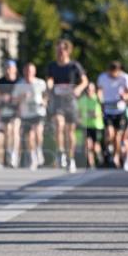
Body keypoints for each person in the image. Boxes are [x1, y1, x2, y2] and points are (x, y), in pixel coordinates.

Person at [46, 39, 88, 172]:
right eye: (57, 50)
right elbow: (50, 79)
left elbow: (85, 81)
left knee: (70, 131)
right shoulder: (52, 66)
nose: (59, 53)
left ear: (67, 51)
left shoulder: (74, 66)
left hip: (70, 101)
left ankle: (71, 158)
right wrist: (49, 86)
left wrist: (78, 89)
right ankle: (61, 153)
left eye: (61, 50)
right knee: (59, 125)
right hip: (57, 101)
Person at [97, 61, 128, 169]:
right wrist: (100, 99)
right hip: (108, 110)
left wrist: (125, 97)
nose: (114, 75)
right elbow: (99, 91)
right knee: (109, 133)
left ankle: (115, 156)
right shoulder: (102, 77)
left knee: (118, 136)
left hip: (120, 110)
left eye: (116, 72)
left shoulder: (125, 77)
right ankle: (108, 148)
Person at [12, 63, 47, 169]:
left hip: (38, 112)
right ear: (24, 72)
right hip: (26, 114)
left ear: (34, 72)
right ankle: (33, 158)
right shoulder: (19, 84)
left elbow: (46, 95)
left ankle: (39, 149)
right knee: (29, 137)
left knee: (38, 133)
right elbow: (14, 99)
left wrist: (44, 101)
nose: (29, 73)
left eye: (31, 71)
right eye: (27, 71)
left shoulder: (40, 83)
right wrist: (22, 97)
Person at [0, 59, 20, 168]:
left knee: (14, 131)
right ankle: (6, 155)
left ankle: (14, 154)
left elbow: (23, 96)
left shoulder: (19, 82)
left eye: (10, 68)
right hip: (2, 111)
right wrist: (0, 97)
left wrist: (13, 98)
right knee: (3, 135)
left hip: (15, 110)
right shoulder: (0, 81)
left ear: (15, 69)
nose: (8, 70)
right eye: (6, 68)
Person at [77, 81, 104, 169]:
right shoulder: (82, 100)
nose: (90, 91)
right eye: (88, 89)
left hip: (97, 126)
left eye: (92, 90)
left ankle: (99, 158)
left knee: (95, 145)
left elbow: (103, 112)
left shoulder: (98, 99)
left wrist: (96, 115)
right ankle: (91, 163)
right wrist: (80, 119)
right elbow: (79, 113)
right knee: (88, 145)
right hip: (86, 125)